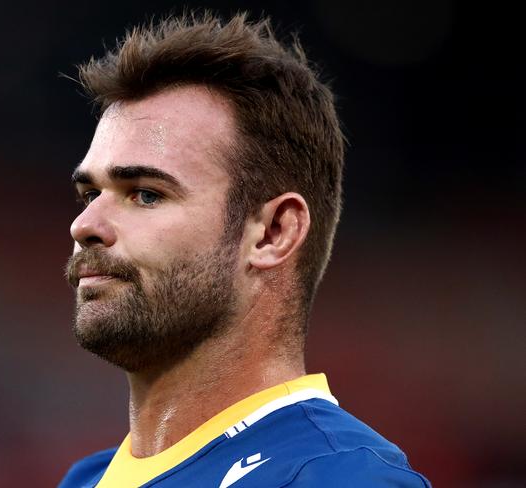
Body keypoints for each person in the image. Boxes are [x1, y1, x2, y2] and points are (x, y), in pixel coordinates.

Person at [60, 11, 431, 488]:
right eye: (91, 194)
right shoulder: (84, 480)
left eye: (146, 194)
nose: (84, 224)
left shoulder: (340, 477)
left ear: (274, 232)